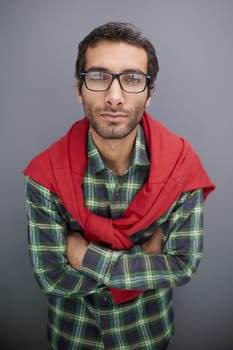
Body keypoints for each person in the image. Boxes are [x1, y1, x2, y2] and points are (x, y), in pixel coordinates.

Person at [24, 22, 215, 350]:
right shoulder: (44, 174)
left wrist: (84, 256)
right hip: (72, 336)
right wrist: (145, 257)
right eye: (98, 77)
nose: (114, 97)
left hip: (147, 335)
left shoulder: (182, 168)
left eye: (132, 79)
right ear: (79, 89)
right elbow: (51, 277)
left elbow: (182, 264)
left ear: (150, 92)